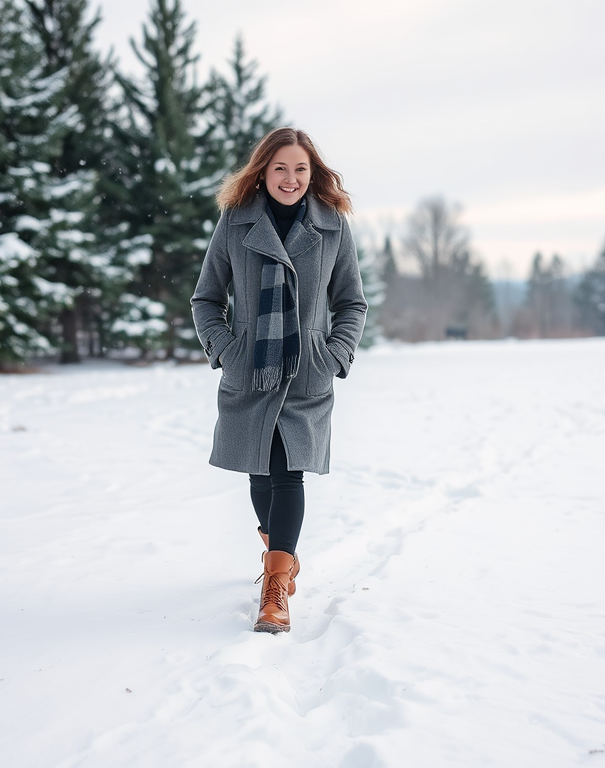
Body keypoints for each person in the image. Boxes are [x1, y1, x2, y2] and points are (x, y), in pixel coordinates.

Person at [191, 127, 367, 633]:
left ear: (314, 175)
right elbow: (206, 298)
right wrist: (225, 348)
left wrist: (334, 354)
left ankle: (275, 587)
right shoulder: (235, 222)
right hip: (250, 370)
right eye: (280, 168)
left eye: (301, 169)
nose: (290, 179)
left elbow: (351, 301)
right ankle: (280, 551)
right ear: (263, 172)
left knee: (288, 472)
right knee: (260, 474)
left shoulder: (332, 225)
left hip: (306, 371)